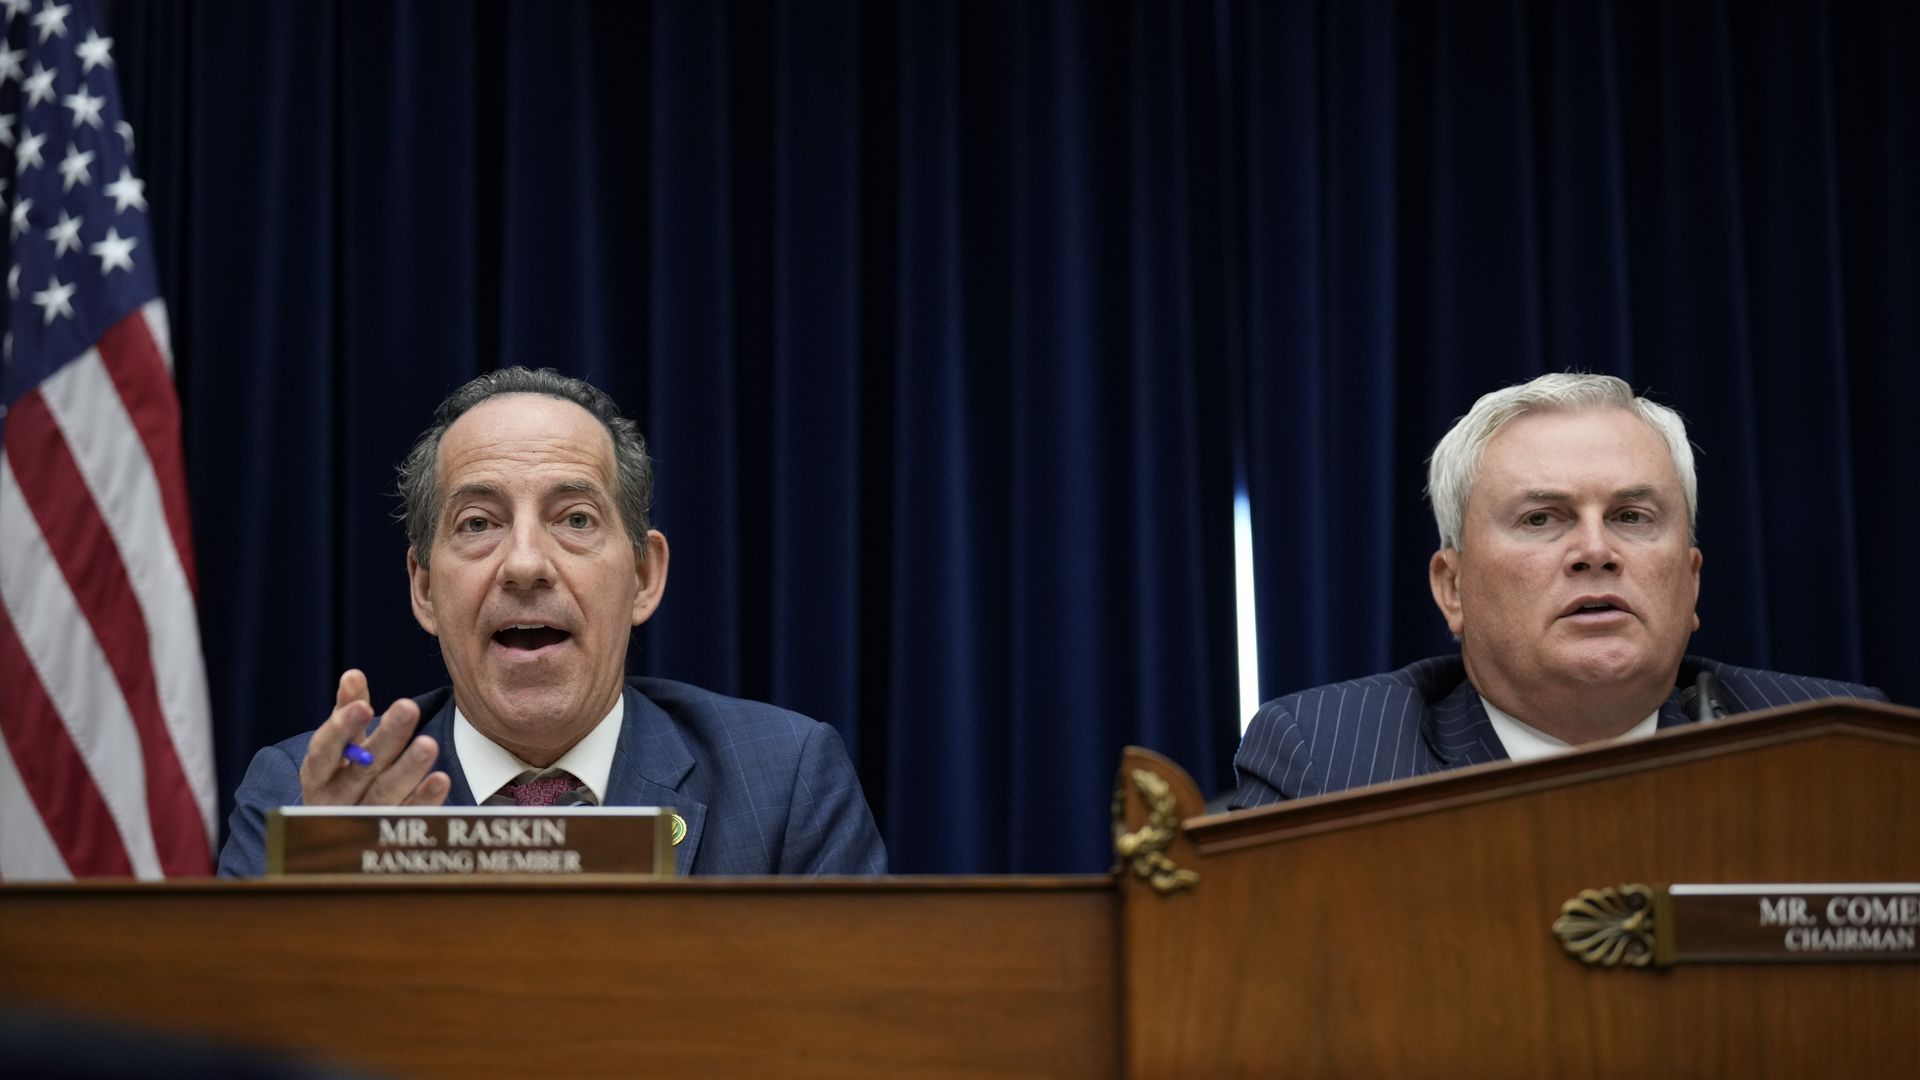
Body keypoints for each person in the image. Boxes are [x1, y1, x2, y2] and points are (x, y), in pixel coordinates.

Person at [219, 368, 886, 875]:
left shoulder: (784, 782)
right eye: (478, 524)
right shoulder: (300, 796)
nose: (526, 564)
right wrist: (323, 894)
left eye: (575, 520)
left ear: (644, 577)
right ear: (423, 587)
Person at [1231, 372, 1887, 807]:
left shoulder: (1841, 751)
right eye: (1541, 519)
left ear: (1690, 582)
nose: (1596, 551)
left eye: (1632, 517)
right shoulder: (1327, 762)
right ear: (1452, 588)